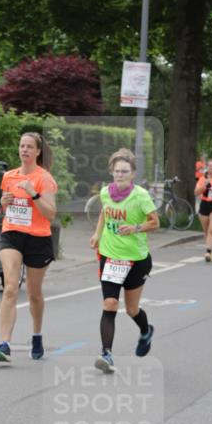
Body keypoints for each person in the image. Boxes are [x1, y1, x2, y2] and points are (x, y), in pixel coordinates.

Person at [89, 148, 159, 373]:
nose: (120, 175)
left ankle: (145, 331)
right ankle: (106, 354)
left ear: (133, 174)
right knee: (110, 303)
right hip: (111, 256)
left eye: (125, 171)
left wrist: (136, 227)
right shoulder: (105, 193)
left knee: (131, 309)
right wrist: (98, 234)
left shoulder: (140, 196)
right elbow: (104, 213)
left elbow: (155, 222)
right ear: (111, 172)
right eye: (117, 171)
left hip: (136, 259)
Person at [0, 131, 57, 363]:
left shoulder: (44, 178)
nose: (24, 150)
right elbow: (5, 209)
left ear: (38, 151)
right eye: (22, 146)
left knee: (34, 294)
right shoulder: (9, 176)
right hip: (12, 234)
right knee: (10, 287)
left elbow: (50, 214)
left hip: (38, 238)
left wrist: (34, 194)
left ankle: (37, 335)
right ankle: (4, 343)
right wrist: (3, 203)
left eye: (30, 146)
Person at [194, 159, 212, 263]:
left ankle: (208, 251)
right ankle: (210, 251)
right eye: (210, 166)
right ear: (207, 167)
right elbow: (196, 192)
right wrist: (204, 186)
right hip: (205, 205)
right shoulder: (203, 179)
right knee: (207, 231)